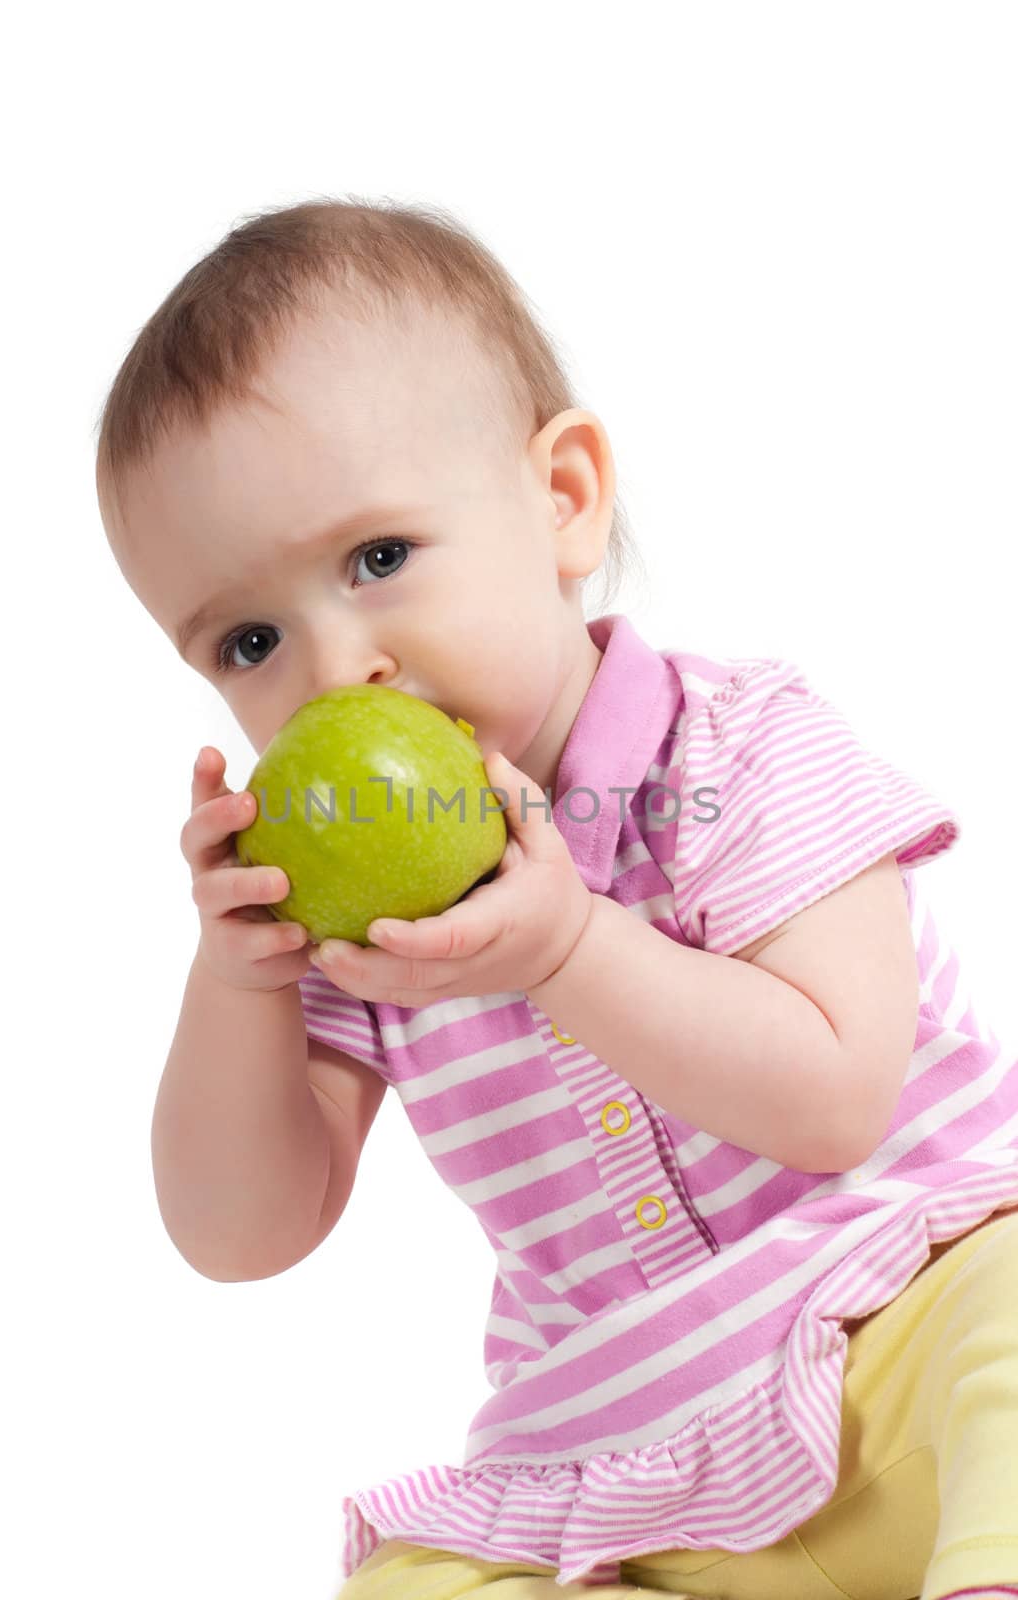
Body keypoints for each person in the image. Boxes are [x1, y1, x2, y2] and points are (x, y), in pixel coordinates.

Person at [94, 197, 1018, 1600]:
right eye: (252, 639)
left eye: (380, 559)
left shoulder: (742, 748)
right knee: (409, 1583)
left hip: (905, 1336)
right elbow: (239, 1233)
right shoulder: (361, 932)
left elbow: (840, 1097)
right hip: (640, 1470)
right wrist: (243, 979)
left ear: (564, 498)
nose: (339, 671)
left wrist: (571, 946)